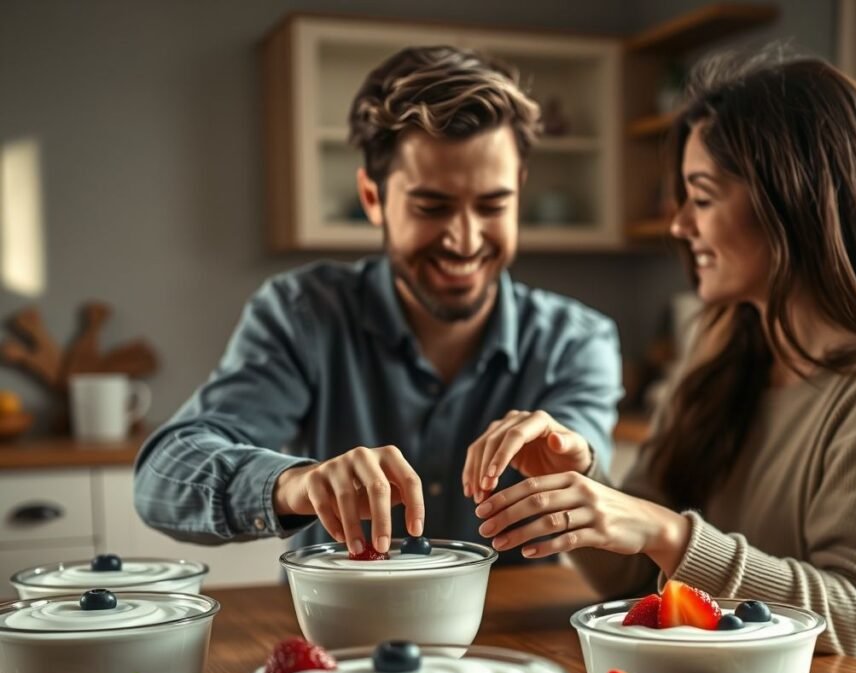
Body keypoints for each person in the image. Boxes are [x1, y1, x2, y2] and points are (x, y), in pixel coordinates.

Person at [471, 54, 856, 673]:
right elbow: (630, 579)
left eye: (701, 197)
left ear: (794, 202)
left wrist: (670, 535)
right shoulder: (720, 361)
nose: (680, 225)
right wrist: (580, 488)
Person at [133, 47, 621, 561]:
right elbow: (163, 476)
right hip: (341, 637)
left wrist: (581, 468)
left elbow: (600, 496)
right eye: (432, 206)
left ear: (519, 192)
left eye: (493, 205)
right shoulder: (302, 313)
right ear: (372, 197)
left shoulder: (578, 341)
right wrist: (299, 483)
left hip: (508, 638)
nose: (465, 238)